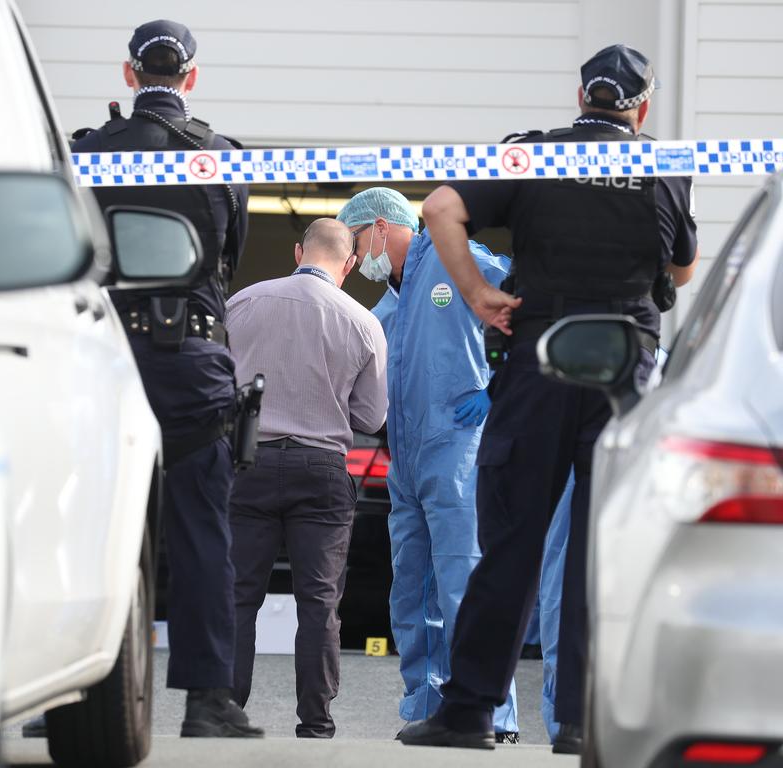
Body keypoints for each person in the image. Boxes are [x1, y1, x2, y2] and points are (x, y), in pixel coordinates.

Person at [398, 44, 698, 753]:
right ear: (642, 106)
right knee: (602, 550)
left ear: (580, 97)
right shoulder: (665, 163)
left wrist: (476, 294)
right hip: (625, 369)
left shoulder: (531, 157)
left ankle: (470, 712)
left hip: (541, 362)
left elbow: (440, 208)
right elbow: (681, 271)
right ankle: (580, 721)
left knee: (512, 543)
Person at [69, 19, 261, 738]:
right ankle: (209, 701)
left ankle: (72, 692)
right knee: (203, 532)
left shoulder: (88, 153)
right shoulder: (221, 159)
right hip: (192, 366)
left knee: (89, 524)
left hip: (106, 358)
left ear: (128, 76)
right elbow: (230, 260)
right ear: (191, 78)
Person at [336, 188, 519, 742]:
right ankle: (426, 705)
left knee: (463, 580)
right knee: (411, 587)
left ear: (380, 228)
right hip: (407, 460)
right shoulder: (385, 310)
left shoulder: (451, 257)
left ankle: (490, 712)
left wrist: (498, 386)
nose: (354, 255)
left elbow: (520, 305)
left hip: (457, 448)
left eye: (355, 240)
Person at [226, 218, 388, 738]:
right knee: (319, 601)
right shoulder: (363, 322)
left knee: (237, 594)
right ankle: (315, 722)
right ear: (351, 263)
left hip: (248, 462)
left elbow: (217, 384)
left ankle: (224, 710)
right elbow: (371, 417)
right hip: (321, 470)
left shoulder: (243, 303)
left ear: (299, 251)